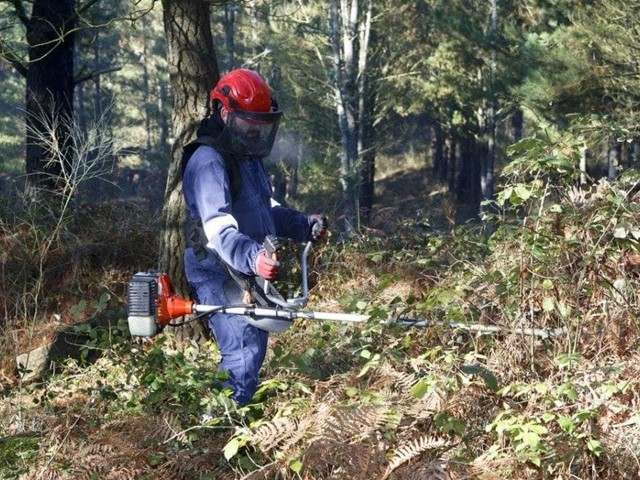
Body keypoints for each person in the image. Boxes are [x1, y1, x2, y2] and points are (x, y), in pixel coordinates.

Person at [181, 69, 328, 405]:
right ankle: (221, 429)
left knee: (253, 348)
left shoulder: (246, 157)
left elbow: (266, 208)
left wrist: (303, 224)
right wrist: (252, 258)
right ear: (225, 113)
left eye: (263, 120)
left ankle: (232, 417)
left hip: (244, 265)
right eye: (250, 120)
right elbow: (218, 228)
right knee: (243, 351)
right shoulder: (209, 161)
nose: (257, 128)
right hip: (218, 269)